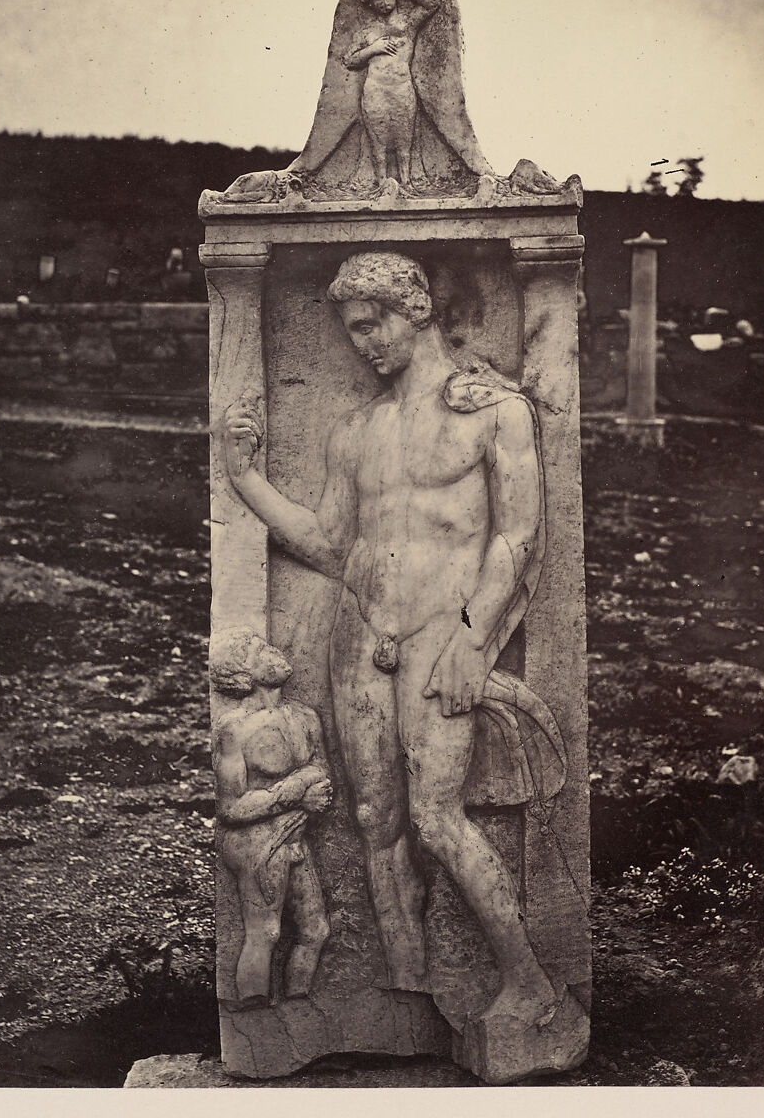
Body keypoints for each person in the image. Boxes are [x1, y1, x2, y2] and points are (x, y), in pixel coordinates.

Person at [223, 251, 559, 1026]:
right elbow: (331, 543)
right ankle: (407, 994)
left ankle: (530, 984)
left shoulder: (494, 413)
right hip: (360, 637)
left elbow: (517, 537)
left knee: (438, 818)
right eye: (351, 333)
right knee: (377, 820)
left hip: (446, 639)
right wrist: (245, 479)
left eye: (373, 325)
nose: (364, 344)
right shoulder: (357, 431)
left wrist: (474, 642)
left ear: (417, 308)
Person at [212, 627, 332, 1008]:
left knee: (316, 930)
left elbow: (322, 777)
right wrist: (295, 793)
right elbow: (231, 807)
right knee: (265, 931)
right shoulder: (234, 728)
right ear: (243, 675)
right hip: (254, 842)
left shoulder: (306, 718)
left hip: (293, 834)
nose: (274, 652)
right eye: (260, 651)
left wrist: (308, 793)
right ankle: (254, 1010)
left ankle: (297, 1005)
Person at [343, 0, 440, 189]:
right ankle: (381, 185)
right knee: (378, 144)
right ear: (370, 3)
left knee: (404, 142)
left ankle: (406, 184)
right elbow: (349, 60)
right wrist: (372, 49)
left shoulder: (408, 24)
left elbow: (433, 3)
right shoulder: (367, 31)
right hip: (375, 90)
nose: (382, 2)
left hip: (402, 88)